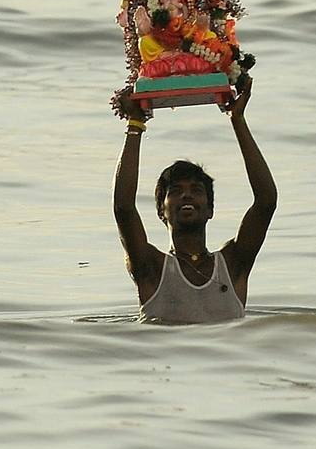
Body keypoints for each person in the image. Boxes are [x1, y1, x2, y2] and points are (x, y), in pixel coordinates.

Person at [112, 79, 276, 323]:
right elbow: (124, 209)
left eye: (196, 190)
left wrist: (237, 119)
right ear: (161, 211)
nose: (186, 195)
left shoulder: (233, 264)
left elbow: (266, 201)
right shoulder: (152, 268)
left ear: (210, 209)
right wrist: (135, 125)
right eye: (175, 190)